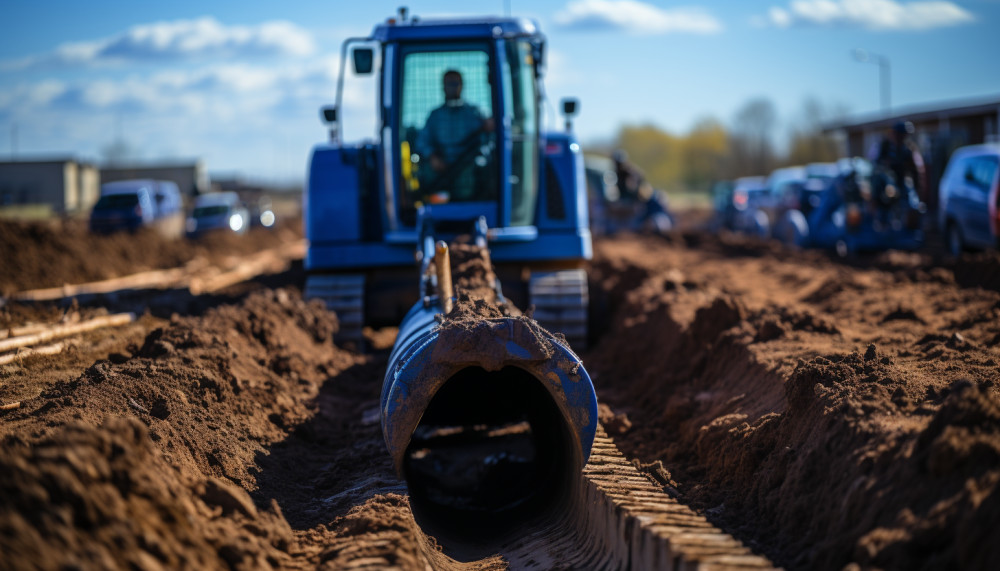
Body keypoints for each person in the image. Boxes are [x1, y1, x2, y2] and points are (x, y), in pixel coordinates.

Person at [416, 70, 494, 200]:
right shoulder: (435, 116)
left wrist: (489, 128)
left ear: (462, 85)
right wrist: (433, 157)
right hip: (440, 173)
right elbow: (422, 141)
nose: (452, 87)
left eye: (455, 83)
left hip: (468, 169)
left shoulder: (475, 113)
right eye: (449, 84)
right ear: (443, 87)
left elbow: (488, 140)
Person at [874, 121, 927, 202]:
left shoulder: (910, 149)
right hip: (886, 183)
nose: (902, 138)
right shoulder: (885, 147)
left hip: (902, 182)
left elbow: (917, 172)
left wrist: (919, 194)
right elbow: (878, 165)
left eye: (904, 135)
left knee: (911, 200)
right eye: (899, 134)